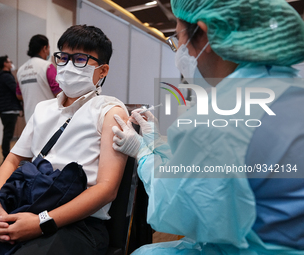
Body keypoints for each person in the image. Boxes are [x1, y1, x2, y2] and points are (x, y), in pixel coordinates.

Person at [112, 0, 304, 254]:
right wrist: (157, 143)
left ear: (205, 34)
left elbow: (175, 208)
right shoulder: (290, 88)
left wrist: (144, 154)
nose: (180, 50)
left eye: (178, 38)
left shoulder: (222, 115)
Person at [0, 25, 128, 254]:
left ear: (102, 71)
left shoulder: (110, 111)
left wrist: (43, 221)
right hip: (28, 206)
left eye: (81, 59)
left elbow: (106, 189)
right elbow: (12, 160)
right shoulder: (44, 109)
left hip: (79, 224)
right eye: (63, 57)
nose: (69, 65)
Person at [16, 34, 61, 123]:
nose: (48, 51)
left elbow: (19, 95)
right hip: (48, 117)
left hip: (29, 118)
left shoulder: (21, 70)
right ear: (44, 48)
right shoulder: (47, 66)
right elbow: (58, 92)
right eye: (48, 48)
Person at [0, 55, 22, 160]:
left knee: (7, 133)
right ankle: (6, 156)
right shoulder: (7, 76)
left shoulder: (1, 76)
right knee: (8, 134)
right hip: (9, 108)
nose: (11, 64)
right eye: (10, 62)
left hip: (4, 109)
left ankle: (5, 154)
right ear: (5, 64)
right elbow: (16, 91)